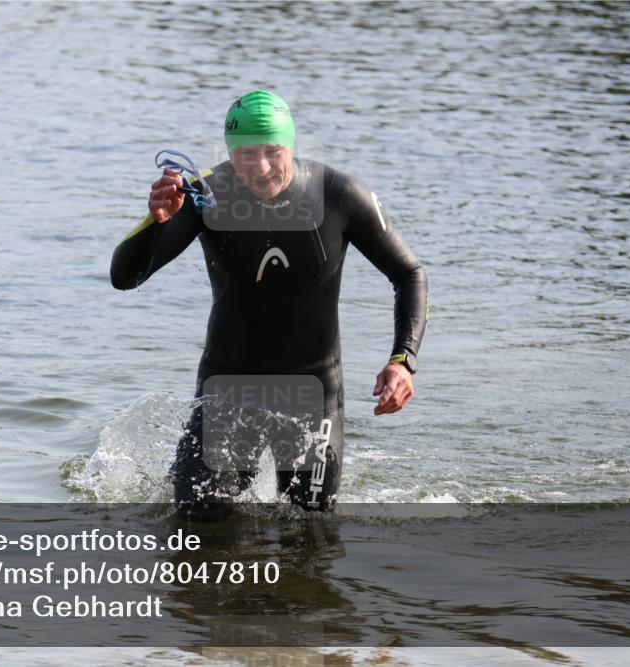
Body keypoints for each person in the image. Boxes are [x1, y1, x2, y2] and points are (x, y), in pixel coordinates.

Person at [111, 90, 427, 519]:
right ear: (229, 153)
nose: (260, 168)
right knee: (199, 525)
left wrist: (402, 360)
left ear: (291, 146)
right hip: (227, 390)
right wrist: (156, 222)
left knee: (310, 532)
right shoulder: (206, 195)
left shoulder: (338, 194)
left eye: (272, 151)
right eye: (246, 154)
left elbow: (409, 274)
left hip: (313, 394)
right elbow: (125, 278)